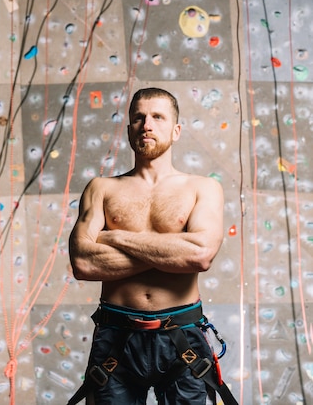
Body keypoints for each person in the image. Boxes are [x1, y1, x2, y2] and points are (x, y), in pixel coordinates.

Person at [68, 87, 235, 405]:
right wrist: (173, 253)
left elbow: (200, 255)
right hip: (116, 337)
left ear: (176, 130)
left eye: (158, 117)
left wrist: (114, 238)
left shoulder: (203, 188)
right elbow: (83, 264)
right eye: (138, 118)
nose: (147, 124)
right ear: (129, 128)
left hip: (182, 335)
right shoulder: (101, 188)